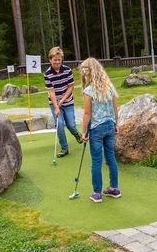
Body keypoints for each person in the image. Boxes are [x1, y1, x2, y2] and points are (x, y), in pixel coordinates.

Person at [79, 58, 121, 203]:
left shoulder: (88, 91)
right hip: (110, 125)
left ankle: (97, 193)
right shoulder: (109, 87)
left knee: (97, 161)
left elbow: (87, 114)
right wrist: (116, 123)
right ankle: (114, 188)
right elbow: (115, 107)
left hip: (96, 128)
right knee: (110, 157)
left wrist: (83, 132)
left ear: (86, 73)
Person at [44, 47, 83, 157]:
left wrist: (62, 101)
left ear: (61, 60)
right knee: (59, 124)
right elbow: (51, 92)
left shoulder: (67, 70)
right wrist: (56, 106)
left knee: (71, 124)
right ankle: (64, 148)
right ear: (50, 60)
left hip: (68, 101)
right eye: (54, 59)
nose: (57, 62)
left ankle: (77, 135)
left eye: (59, 59)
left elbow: (71, 87)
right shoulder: (47, 74)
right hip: (54, 103)